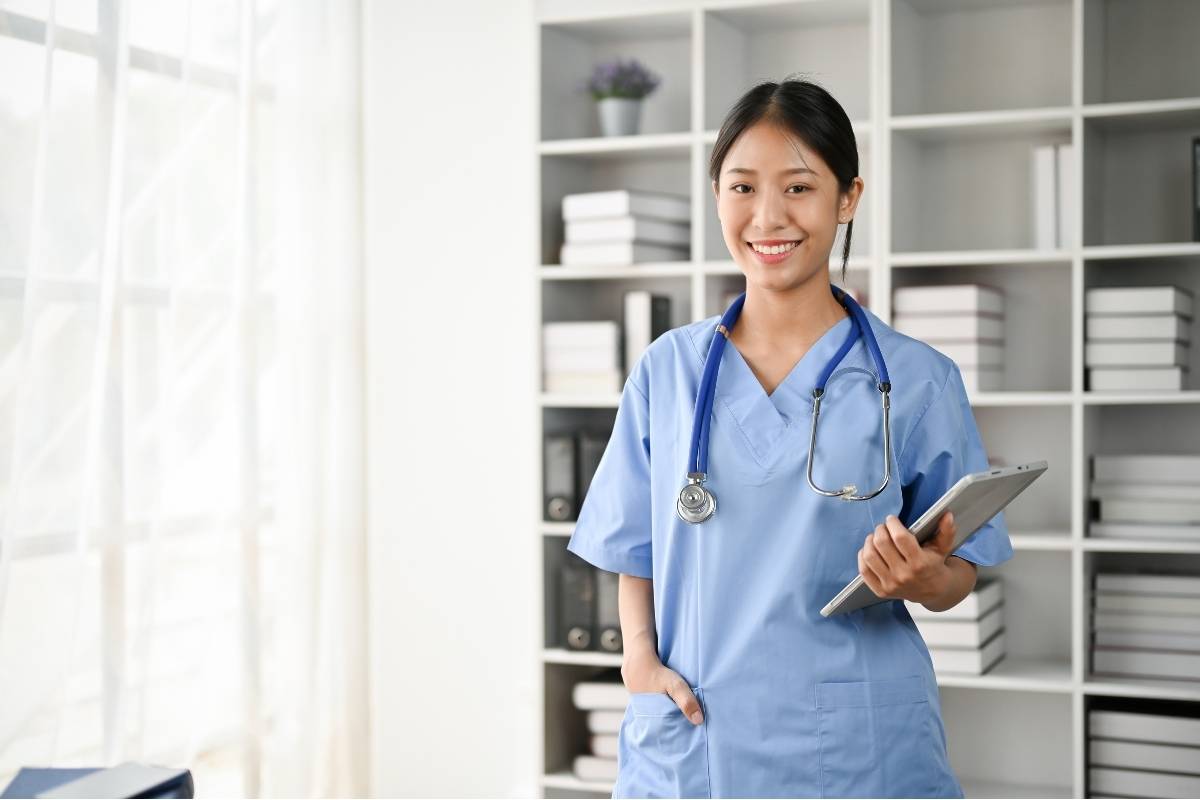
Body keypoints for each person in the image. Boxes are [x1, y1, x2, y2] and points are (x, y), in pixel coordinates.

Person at [565, 77, 1013, 799]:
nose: (767, 217)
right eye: (741, 187)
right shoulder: (668, 370)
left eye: (798, 188)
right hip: (695, 738)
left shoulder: (918, 379)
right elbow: (630, 545)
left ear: (847, 199)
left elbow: (959, 570)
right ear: (717, 196)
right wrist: (638, 661)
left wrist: (929, 580)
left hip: (860, 749)